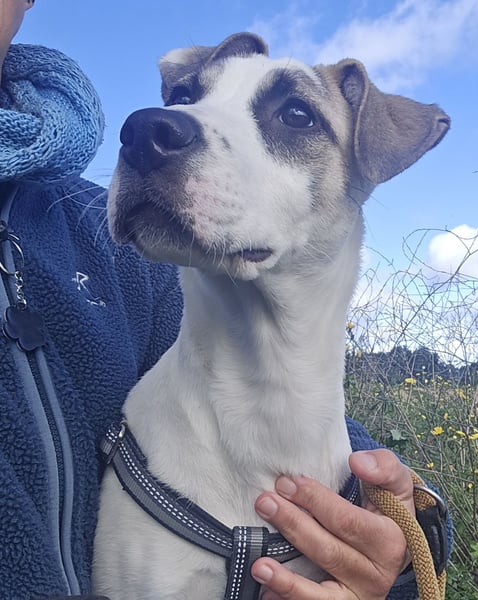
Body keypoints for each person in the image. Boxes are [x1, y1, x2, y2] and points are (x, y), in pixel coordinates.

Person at [0, 1, 447, 598]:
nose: (166, 125)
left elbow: (294, 409)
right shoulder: (81, 234)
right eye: (188, 100)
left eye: (295, 116)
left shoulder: (112, 262)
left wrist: (411, 533)